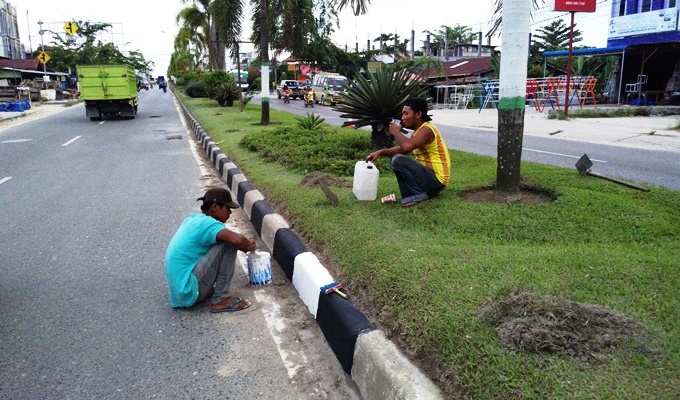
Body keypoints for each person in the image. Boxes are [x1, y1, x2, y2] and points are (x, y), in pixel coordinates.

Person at [165, 187, 256, 313]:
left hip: (180, 293)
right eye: (227, 208)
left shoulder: (194, 220)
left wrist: (243, 245)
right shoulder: (209, 224)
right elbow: (237, 240)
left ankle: (205, 291)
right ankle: (221, 299)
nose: (230, 213)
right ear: (215, 207)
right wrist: (247, 244)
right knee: (229, 243)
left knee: (226, 239)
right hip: (188, 290)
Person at [365, 98, 451, 208]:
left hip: (436, 181)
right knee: (395, 159)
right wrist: (381, 152)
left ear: (418, 114)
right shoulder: (418, 132)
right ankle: (410, 195)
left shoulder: (427, 129)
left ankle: (418, 195)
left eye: (406, 114)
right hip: (429, 179)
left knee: (397, 159)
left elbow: (407, 146)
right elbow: (404, 149)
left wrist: (396, 131)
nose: (402, 118)